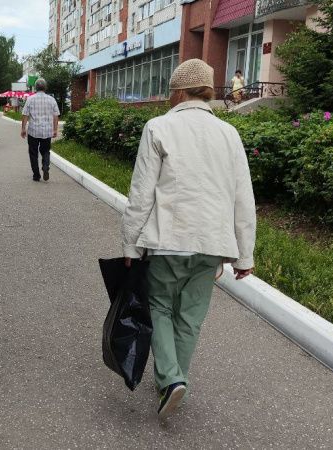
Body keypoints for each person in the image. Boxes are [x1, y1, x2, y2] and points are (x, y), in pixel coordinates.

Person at [121, 58, 256, 420]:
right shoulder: (230, 134)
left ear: (179, 91)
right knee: (190, 317)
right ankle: (172, 379)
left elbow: (141, 193)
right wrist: (245, 255)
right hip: (214, 244)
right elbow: (243, 196)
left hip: (169, 240)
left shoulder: (159, 127)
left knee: (160, 306)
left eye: (170, 92)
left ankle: (171, 379)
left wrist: (130, 244)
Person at [20, 78, 59, 182]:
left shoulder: (30, 99)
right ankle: (45, 166)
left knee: (33, 153)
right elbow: (56, 115)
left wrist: (23, 129)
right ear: (45, 87)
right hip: (47, 131)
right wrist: (55, 130)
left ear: (36, 88)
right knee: (46, 151)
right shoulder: (51, 99)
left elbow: (25, 114)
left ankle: (36, 175)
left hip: (33, 131)